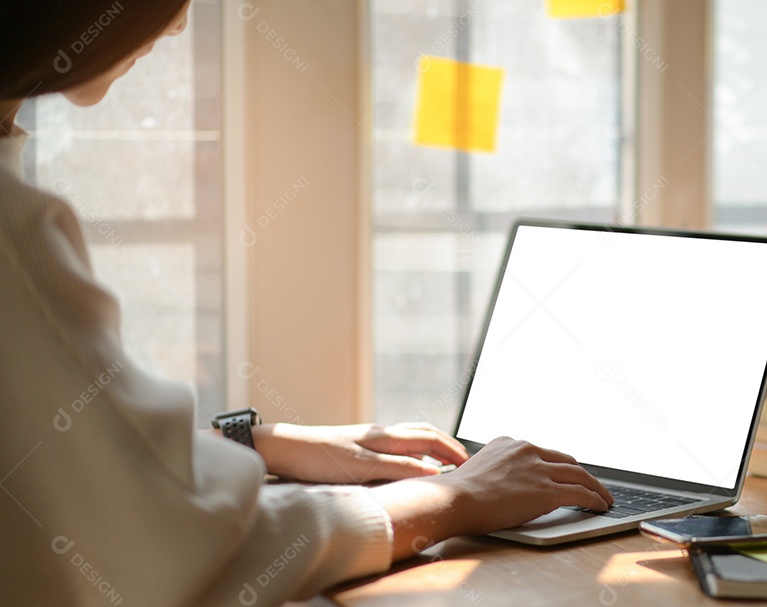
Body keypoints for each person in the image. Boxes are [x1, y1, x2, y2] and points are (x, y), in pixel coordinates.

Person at [0, 2, 613, 605]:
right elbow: (188, 554)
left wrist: (252, 444)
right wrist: (454, 500)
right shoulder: (14, 227)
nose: (181, 19)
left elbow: (59, 466)